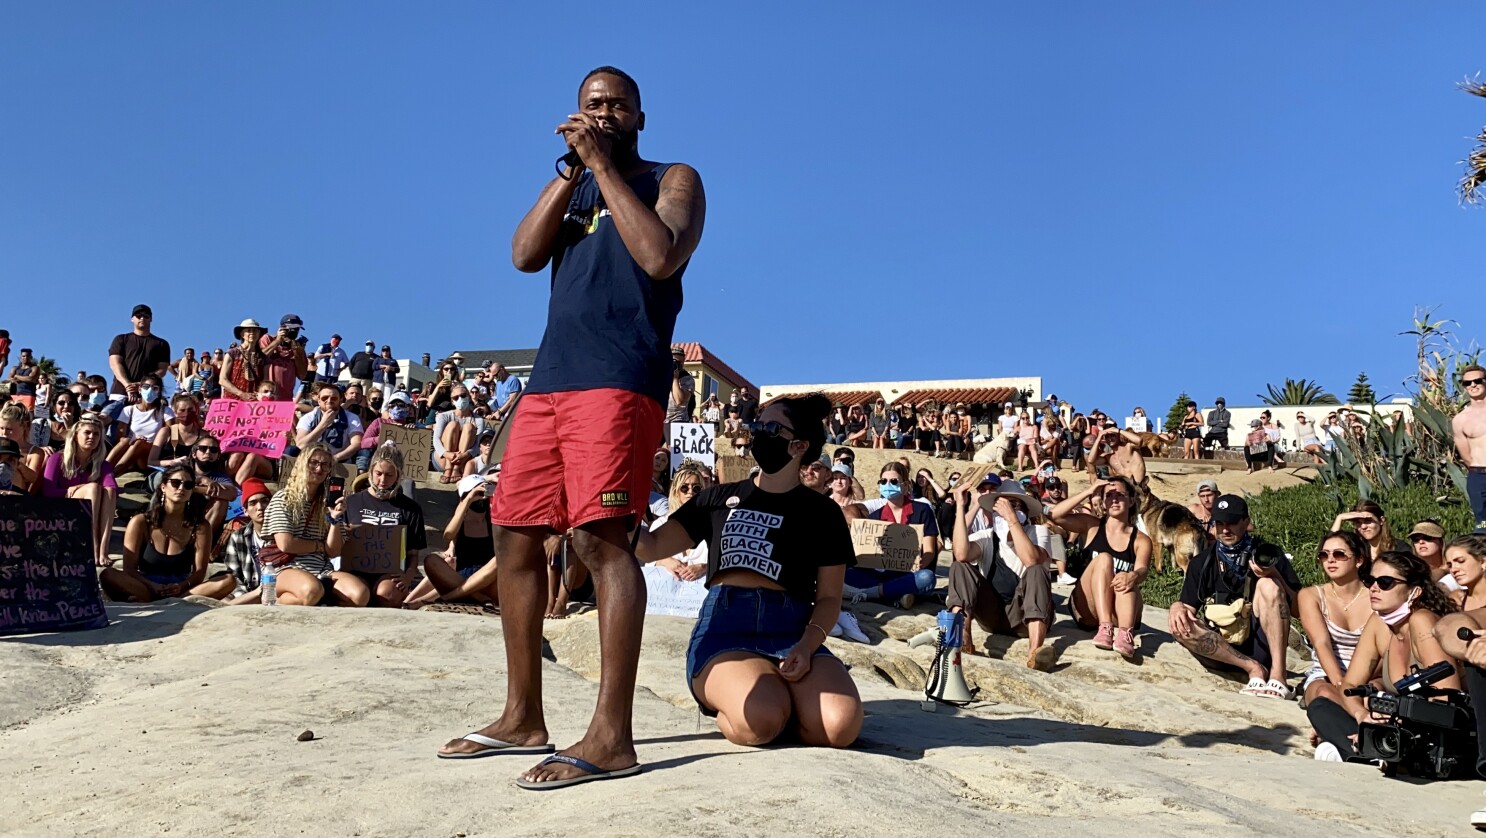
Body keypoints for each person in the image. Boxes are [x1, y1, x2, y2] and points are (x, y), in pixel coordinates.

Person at [438, 67, 706, 790]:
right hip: (549, 383)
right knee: (513, 534)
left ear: (640, 118)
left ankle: (612, 736)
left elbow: (659, 254)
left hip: (621, 381)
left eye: (617, 105)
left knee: (600, 540)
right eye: (592, 105)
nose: (604, 113)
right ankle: (523, 715)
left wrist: (601, 167)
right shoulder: (574, 184)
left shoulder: (670, 177)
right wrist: (569, 173)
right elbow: (524, 255)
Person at [635, 394, 862, 749]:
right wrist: (614, 503)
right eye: (757, 425)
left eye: (770, 428)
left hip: (792, 628)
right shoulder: (716, 499)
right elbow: (649, 547)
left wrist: (807, 646)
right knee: (760, 720)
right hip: (726, 629)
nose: (757, 433)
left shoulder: (823, 513)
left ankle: (783, 700)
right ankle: (765, 699)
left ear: (799, 446)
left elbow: (831, 596)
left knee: (840, 726)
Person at [1306, 551, 1461, 762]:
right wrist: (1362, 717)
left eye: (1386, 582)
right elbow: (1349, 684)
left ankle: (1360, 751)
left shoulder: (1422, 621)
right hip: (1395, 727)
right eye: (1370, 580)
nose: (1374, 588)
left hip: (1433, 734)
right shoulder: (1379, 623)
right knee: (1320, 704)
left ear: (1414, 591)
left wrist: (1395, 725)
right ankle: (1368, 750)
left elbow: (1446, 699)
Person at [1167, 495, 1302, 699]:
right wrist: (1177, 606)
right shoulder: (1202, 562)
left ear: (1246, 523)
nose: (1225, 529)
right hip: (1222, 650)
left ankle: (1278, 675)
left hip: (1260, 643)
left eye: (1232, 522)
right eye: (1219, 523)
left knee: (1268, 586)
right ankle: (1253, 669)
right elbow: (1189, 608)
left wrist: (1275, 576)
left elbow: (1299, 610)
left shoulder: (1267, 555)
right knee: (1180, 624)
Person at [947, 478, 1056, 669]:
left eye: (1013, 505)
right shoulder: (988, 536)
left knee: (1037, 569)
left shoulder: (1038, 532)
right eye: (1002, 505)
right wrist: (960, 507)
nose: (1007, 510)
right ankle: (962, 637)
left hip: (1023, 615)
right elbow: (961, 553)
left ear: (1024, 511)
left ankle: (1035, 652)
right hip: (993, 614)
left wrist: (1011, 519)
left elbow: (1031, 559)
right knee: (960, 566)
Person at [1049, 476, 1153, 659]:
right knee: (1104, 559)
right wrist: (1089, 492)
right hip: (1087, 608)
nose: (1114, 500)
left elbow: (1143, 569)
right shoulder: (1092, 526)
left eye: (1120, 495)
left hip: (1118, 607)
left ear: (1131, 500)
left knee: (1126, 578)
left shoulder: (1140, 539)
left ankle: (1125, 634)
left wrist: (1134, 576)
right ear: (1103, 501)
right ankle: (1104, 627)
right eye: (1109, 495)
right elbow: (1055, 515)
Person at [259, 442, 369, 607]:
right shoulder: (283, 498)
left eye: (325, 465)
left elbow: (333, 551)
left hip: (321, 568)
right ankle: (272, 600)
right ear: (303, 464)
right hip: (286, 567)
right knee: (312, 591)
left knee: (359, 595)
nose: (319, 469)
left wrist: (335, 519)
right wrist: (319, 546)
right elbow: (286, 544)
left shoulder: (328, 502)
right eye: (314, 463)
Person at [98, 466, 229, 602]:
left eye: (188, 485)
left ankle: (178, 599)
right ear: (163, 487)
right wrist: (152, 586)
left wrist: (182, 586)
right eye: (175, 483)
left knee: (228, 580)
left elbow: (199, 572)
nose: (181, 488)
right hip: (146, 584)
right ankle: (150, 597)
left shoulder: (200, 526)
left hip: (183, 587)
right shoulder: (141, 522)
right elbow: (129, 569)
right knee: (108, 575)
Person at [1294, 531, 1372, 717]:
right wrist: (1340, 683)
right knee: (1325, 694)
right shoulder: (1311, 596)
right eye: (1324, 555)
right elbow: (1321, 644)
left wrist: (1355, 683)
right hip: (1327, 674)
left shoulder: (1375, 597)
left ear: (1359, 560)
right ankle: (1360, 719)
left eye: (1339, 554)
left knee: (1373, 697)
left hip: (1368, 674)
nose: (1330, 560)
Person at [841, 461, 940, 608]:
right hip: (882, 574)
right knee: (846, 573)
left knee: (927, 578)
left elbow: (930, 551)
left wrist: (922, 562)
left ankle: (873, 594)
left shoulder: (922, 510)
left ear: (905, 485)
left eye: (893, 481)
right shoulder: (875, 516)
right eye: (884, 481)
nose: (888, 484)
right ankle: (896, 594)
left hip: (910, 573)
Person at [342, 445, 427, 608]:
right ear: (371, 472)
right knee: (357, 595)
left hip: (390, 573)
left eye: (389, 475)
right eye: (378, 474)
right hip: (355, 570)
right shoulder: (352, 502)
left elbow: (413, 554)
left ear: (398, 475)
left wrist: (408, 577)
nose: (382, 480)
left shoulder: (411, 508)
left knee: (385, 595)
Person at [406, 471, 501, 608]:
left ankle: (439, 598)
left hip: (488, 580)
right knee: (431, 560)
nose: (481, 498)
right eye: (477, 494)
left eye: (483, 493)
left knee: (499, 560)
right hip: (461, 578)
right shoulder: (460, 522)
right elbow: (448, 535)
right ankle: (476, 596)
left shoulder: (493, 520)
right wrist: (467, 501)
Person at [40, 414, 119, 567]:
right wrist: (71, 490)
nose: (92, 437)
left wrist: (81, 488)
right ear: (75, 436)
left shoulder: (102, 464)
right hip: (61, 510)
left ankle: (103, 549)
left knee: (108, 492)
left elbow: (113, 488)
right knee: (93, 488)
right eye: (87, 433)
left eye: (96, 434)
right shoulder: (57, 458)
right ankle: (93, 546)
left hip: (88, 507)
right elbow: (48, 492)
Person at [217, 478, 274, 604]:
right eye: (253, 503)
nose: (260, 507)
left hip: (274, 591)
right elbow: (235, 577)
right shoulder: (238, 537)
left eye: (265, 501)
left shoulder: (281, 535)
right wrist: (244, 596)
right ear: (245, 510)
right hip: (247, 593)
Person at [108, 374, 172, 473]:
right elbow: (119, 437)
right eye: (146, 387)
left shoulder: (165, 411)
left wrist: (142, 442)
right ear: (140, 389)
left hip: (149, 456)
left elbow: (169, 435)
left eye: (155, 388)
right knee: (126, 441)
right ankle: (103, 469)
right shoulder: (129, 410)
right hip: (130, 449)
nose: (150, 391)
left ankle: (113, 474)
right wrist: (133, 439)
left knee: (140, 443)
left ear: (159, 391)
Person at [107, 304, 171, 402]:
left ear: (151, 319)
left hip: (148, 394)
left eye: (146, 316)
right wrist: (128, 385)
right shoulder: (121, 339)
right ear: (132, 319)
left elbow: (162, 370)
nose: (142, 318)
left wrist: (142, 385)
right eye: (138, 316)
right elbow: (115, 364)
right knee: (111, 416)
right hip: (119, 392)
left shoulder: (161, 344)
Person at [295, 382, 364, 465]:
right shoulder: (308, 418)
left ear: (341, 399)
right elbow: (301, 445)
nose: (329, 401)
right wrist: (323, 424)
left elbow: (356, 443)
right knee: (291, 451)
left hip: (340, 462)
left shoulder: (352, 418)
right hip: (311, 461)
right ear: (319, 400)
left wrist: (336, 458)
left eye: (334, 398)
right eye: (325, 398)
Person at [1454, 364, 1486, 532]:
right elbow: (1466, 456)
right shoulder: (1460, 420)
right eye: (1467, 383)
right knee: (1483, 525)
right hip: (1478, 476)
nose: (1473, 385)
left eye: (1477, 381)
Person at [148, 393, 206, 469]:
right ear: (175, 413)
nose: (186, 413)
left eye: (190, 410)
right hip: (167, 473)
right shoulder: (166, 432)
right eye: (182, 410)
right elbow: (151, 461)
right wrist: (172, 462)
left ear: (196, 411)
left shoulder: (203, 435)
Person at [1330, 499, 1401, 561]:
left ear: (1381, 521)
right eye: (1358, 522)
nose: (1363, 526)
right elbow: (1330, 548)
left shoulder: (1399, 549)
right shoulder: (1357, 548)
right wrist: (1339, 518)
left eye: (1368, 521)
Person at [259, 314, 309, 402]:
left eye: (297, 329)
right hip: (267, 396)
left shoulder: (297, 348)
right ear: (282, 328)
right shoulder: (268, 339)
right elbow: (260, 359)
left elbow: (302, 375)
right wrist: (278, 341)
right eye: (291, 329)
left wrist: (297, 353)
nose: (294, 331)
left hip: (286, 398)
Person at [1405, 519, 1455, 590]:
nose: (1421, 542)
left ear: (1441, 542)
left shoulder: (1455, 566)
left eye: (1427, 537)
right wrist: (1443, 571)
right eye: (1416, 538)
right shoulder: (1409, 567)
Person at [1447, 534, 1486, 611]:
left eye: (1460, 561)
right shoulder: (1455, 602)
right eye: (1450, 565)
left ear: (1483, 562)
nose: (1453, 570)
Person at [664, 346, 694, 431]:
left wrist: (675, 378)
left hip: (678, 420)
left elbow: (679, 401)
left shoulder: (687, 379)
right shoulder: (661, 374)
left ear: (684, 360)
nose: (675, 364)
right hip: (661, 418)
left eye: (678, 362)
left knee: (673, 445)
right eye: (673, 361)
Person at [6, 347, 39, 411]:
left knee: (27, 415)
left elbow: (31, 379)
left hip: (29, 394)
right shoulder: (14, 368)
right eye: (23, 356)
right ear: (20, 357)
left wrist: (16, 376)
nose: (25, 358)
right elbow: (10, 379)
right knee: (15, 414)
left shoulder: (35, 368)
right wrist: (25, 378)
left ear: (31, 357)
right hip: (15, 395)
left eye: (28, 356)